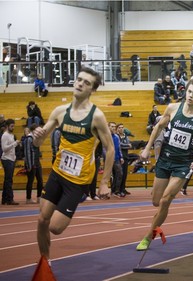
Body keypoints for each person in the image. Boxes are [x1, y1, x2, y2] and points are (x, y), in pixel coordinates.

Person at [32, 67, 114, 261]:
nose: (80, 84)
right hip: (57, 173)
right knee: (42, 219)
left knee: (55, 227)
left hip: (78, 181)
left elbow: (109, 148)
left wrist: (104, 182)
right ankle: (45, 262)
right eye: (79, 80)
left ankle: (79, 198)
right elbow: (38, 142)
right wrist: (36, 138)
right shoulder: (60, 112)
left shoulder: (97, 116)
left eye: (86, 83)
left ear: (92, 90)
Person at [136, 79, 193, 251]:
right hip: (164, 160)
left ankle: (148, 236)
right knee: (156, 201)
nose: (191, 96)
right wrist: (147, 148)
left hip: (183, 165)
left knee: (165, 201)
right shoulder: (172, 108)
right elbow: (157, 128)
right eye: (190, 91)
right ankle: (161, 210)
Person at [1, 119, 20, 205]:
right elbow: (4, 148)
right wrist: (14, 144)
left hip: (11, 159)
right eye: (11, 126)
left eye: (14, 126)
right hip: (6, 159)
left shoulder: (11, 135)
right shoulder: (5, 135)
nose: (13, 127)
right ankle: (10, 199)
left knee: (8, 180)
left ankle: (4, 199)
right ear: (7, 126)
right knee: (9, 180)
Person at [24, 124, 43, 204]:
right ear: (33, 130)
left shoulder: (36, 138)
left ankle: (39, 197)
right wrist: (29, 165)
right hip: (31, 162)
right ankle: (28, 198)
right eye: (37, 130)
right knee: (30, 181)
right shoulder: (29, 139)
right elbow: (27, 152)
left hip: (37, 161)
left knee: (40, 180)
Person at [109, 122, 124, 198]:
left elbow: (119, 148)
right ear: (108, 127)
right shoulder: (107, 137)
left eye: (114, 126)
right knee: (111, 175)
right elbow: (105, 149)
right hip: (109, 159)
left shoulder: (116, 137)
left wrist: (121, 157)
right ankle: (113, 191)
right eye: (112, 126)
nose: (113, 128)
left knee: (119, 174)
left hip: (117, 158)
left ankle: (116, 191)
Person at [117, 123, 133, 196]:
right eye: (120, 127)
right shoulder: (117, 136)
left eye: (122, 127)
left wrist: (126, 146)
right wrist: (127, 145)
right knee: (120, 174)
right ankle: (118, 190)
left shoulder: (125, 136)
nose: (121, 129)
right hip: (119, 157)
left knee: (125, 174)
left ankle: (123, 188)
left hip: (126, 156)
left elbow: (130, 145)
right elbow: (119, 145)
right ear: (117, 129)